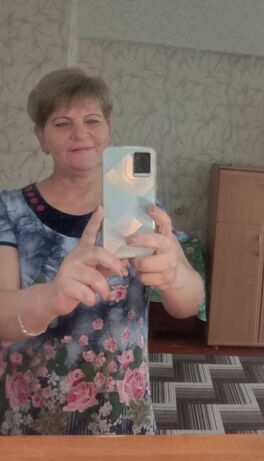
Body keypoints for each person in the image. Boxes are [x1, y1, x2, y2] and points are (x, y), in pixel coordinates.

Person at [0, 68, 204, 435]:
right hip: (34, 412)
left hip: (122, 409)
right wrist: (53, 296)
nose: (80, 133)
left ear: (109, 129)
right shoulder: (9, 210)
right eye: (62, 123)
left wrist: (174, 277)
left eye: (92, 120)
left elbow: (190, 302)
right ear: (41, 137)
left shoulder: (142, 209)